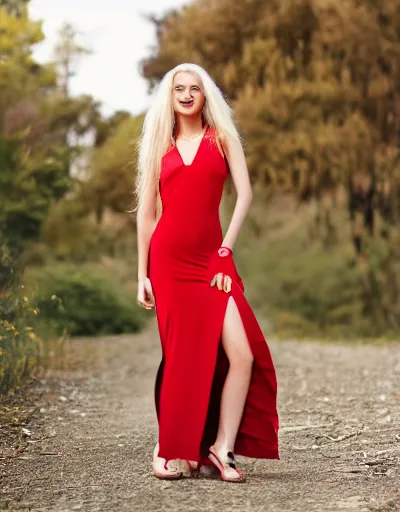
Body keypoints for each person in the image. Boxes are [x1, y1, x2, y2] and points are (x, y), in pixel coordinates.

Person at [135, 63, 280, 482]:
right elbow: (147, 215)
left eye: (194, 88)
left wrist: (225, 249)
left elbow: (245, 194)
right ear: (170, 96)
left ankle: (222, 447)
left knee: (243, 353)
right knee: (181, 356)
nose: (185, 95)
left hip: (213, 261)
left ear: (205, 95)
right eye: (178, 88)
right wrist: (141, 273)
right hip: (168, 263)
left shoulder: (223, 139)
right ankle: (170, 446)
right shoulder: (159, 146)